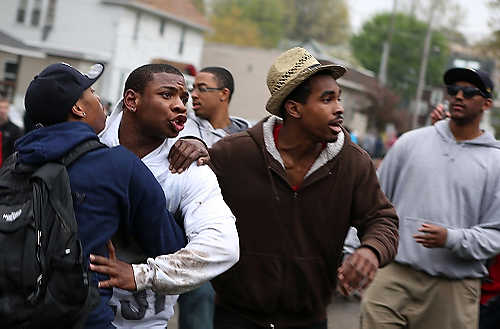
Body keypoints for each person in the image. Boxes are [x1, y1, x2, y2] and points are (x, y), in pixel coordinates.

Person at [202, 47, 398, 328]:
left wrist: (371, 250)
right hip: (236, 316)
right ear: (293, 108)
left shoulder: (354, 163)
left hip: (309, 320)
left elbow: (382, 219)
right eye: (327, 99)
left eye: (338, 98)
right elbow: (190, 206)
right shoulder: (234, 154)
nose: (339, 108)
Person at [18, 62, 185, 329]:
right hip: (82, 317)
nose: (100, 99)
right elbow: (171, 248)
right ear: (78, 108)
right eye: (93, 92)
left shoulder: (14, 164)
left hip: (18, 311)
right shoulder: (119, 165)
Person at [91, 63, 239, 329]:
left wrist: (143, 275)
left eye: (183, 98)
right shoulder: (90, 147)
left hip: (147, 324)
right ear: (132, 100)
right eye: (167, 95)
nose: (182, 105)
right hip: (78, 317)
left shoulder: (187, 169)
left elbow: (223, 246)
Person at [359, 67, 500, 329]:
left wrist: (451, 238)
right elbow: (372, 203)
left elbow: (496, 235)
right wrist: (353, 251)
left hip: (453, 287)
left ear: (487, 103)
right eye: (452, 90)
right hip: (393, 276)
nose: (459, 96)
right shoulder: (410, 143)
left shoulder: (496, 162)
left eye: (469, 92)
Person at [177, 66, 250, 329]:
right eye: (192, 88)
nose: (193, 94)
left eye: (202, 88)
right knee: (200, 298)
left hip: (239, 238)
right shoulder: (184, 128)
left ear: (224, 94)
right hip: (195, 235)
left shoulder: (246, 134)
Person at [0, 96, 23, 166]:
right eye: (1, 107)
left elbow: (16, 151)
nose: (2, 111)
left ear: (9, 109)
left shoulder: (15, 130)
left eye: (5, 108)